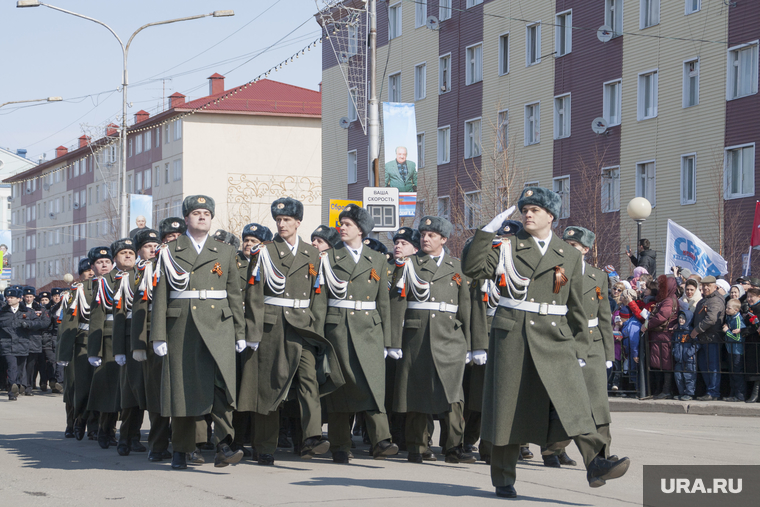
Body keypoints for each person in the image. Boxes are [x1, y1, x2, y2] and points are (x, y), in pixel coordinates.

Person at [462, 187, 629, 499]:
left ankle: (597, 463)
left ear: (550, 216)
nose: (528, 214)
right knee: (508, 411)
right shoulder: (508, 247)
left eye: (535, 210)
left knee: (576, 402)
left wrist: (581, 347)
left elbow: (578, 305)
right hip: (513, 335)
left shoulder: (567, 254)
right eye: (525, 209)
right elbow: (471, 268)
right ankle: (503, 478)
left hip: (555, 335)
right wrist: (485, 233)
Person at [238, 196, 344, 466]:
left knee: (309, 379)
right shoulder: (265, 252)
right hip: (273, 325)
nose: (282, 224)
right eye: (278, 220)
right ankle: (265, 447)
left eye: (287, 220)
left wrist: (316, 330)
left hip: (303, 325)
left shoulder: (313, 253)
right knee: (270, 387)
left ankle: (312, 436)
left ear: (298, 222)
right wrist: (253, 332)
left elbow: (318, 295)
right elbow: (254, 294)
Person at [151, 196, 246, 470]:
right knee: (182, 389)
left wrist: (240, 332)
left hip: (218, 324)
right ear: (186, 219)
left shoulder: (225, 251)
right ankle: (180, 449)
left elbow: (233, 293)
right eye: (196, 213)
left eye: (206, 213)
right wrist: (159, 334)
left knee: (221, 386)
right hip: (182, 326)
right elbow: (160, 294)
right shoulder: (170, 250)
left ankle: (224, 445)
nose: (202, 217)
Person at [391, 215, 474, 465]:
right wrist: (393, 341)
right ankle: (417, 445)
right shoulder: (408, 265)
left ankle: (453, 447)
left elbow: (466, 308)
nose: (425, 239)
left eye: (432, 236)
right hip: (417, 336)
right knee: (417, 392)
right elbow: (397, 304)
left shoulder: (457, 267)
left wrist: (471, 345)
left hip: (450, 337)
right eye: (423, 235)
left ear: (444, 240)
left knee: (453, 394)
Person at [319, 204, 398, 463]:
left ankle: (382, 441)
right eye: (341, 223)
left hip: (369, 329)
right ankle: (340, 445)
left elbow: (383, 302)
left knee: (373, 384)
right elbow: (321, 300)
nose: (342, 227)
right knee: (340, 387)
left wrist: (389, 340)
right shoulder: (329, 257)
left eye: (348, 224)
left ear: (361, 230)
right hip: (338, 327)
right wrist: (319, 335)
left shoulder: (376, 259)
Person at [544, 226, 615, 467]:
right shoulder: (558, 272)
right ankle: (553, 450)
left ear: (585, 249)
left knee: (598, 402)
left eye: (574, 246)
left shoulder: (598, 276)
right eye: (566, 244)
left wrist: (608, 353)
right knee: (565, 399)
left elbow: (605, 316)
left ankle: (602, 454)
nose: (568, 249)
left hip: (593, 343)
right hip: (568, 340)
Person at [131, 218, 185, 463]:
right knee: (157, 395)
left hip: (186, 335)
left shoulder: (190, 266)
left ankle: (188, 446)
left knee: (187, 392)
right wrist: (139, 344)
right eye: (168, 238)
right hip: (157, 337)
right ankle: (158, 444)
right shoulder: (150, 269)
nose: (172, 241)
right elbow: (140, 308)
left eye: (177, 237)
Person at [112, 235, 149, 457]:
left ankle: (141, 436)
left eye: (131, 253)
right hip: (129, 339)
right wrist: (118, 349)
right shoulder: (119, 279)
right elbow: (118, 316)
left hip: (149, 336)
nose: (128, 255)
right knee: (131, 392)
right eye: (124, 253)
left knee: (147, 390)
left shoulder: (150, 273)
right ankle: (126, 436)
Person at [385, 227, 421, 454]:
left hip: (412, 337)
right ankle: (392, 436)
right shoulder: (387, 269)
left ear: (416, 249)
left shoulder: (421, 270)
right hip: (389, 339)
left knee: (410, 391)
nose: (398, 246)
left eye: (404, 243)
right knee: (390, 392)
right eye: (396, 242)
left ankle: (412, 438)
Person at [87, 244, 123, 450]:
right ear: (93, 266)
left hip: (126, 335)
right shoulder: (97, 285)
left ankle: (125, 433)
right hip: (107, 339)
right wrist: (95, 350)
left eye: (107, 262)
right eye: (100, 262)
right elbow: (96, 319)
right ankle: (104, 429)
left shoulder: (124, 278)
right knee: (107, 389)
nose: (104, 265)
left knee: (122, 390)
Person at [57, 257, 97, 440]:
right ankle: (72, 422)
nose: (90, 273)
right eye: (86, 270)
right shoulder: (73, 293)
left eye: (92, 269)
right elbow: (67, 324)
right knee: (73, 387)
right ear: (81, 274)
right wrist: (64, 351)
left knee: (96, 386)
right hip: (77, 343)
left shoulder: (103, 289)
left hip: (96, 342)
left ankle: (95, 426)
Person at [1, 287, 44, 400]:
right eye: (7, 297)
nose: (9, 299)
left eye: (11, 297)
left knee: (20, 369)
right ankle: (12, 389)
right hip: (7, 345)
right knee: (12, 367)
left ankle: (18, 385)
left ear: (19, 299)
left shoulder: (27, 312)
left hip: (22, 344)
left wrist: (28, 324)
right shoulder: (3, 312)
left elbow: (39, 323)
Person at [691, 276, 725, 401]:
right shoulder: (704, 300)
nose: (705, 288)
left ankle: (713, 392)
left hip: (712, 339)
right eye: (704, 285)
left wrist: (696, 330)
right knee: (704, 365)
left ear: (715, 287)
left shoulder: (715, 300)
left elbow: (711, 319)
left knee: (713, 366)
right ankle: (709, 390)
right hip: (703, 339)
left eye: (708, 286)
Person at [645, 276, 678, 400]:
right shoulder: (667, 299)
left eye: (662, 286)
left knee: (666, 363)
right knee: (660, 363)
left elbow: (662, 316)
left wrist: (648, 324)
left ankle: (666, 390)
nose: (659, 288)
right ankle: (660, 389)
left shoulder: (669, 300)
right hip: (660, 336)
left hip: (664, 336)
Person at [723, 299, 746, 402]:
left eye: (729, 308)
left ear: (736, 310)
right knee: (732, 373)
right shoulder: (729, 317)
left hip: (737, 350)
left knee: (737, 373)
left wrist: (727, 331)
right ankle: (732, 394)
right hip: (730, 350)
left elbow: (738, 338)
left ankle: (740, 395)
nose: (726, 310)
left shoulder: (737, 319)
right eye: (726, 307)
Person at [672, 309, 697, 401]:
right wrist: (674, 352)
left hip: (689, 359)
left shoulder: (691, 331)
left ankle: (689, 393)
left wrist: (689, 353)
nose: (681, 320)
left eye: (683, 318)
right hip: (679, 358)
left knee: (689, 377)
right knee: (678, 376)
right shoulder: (677, 331)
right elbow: (674, 343)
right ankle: (681, 393)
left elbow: (697, 343)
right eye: (680, 318)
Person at [744, 288, 760, 403]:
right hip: (751, 341)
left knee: (757, 368)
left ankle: (755, 394)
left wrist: (744, 331)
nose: (749, 299)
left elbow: (756, 326)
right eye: (748, 296)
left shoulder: (757, 308)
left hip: (756, 341)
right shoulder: (751, 308)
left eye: (752, 296)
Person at [619, 306, 640, 394]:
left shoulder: (633, 324)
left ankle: (637, 390)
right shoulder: (628, 323)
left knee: (634, 371)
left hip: (633, 352)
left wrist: (635, 354)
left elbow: (633, 340)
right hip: (629, 351)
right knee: (631, 371)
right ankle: (635, 389)